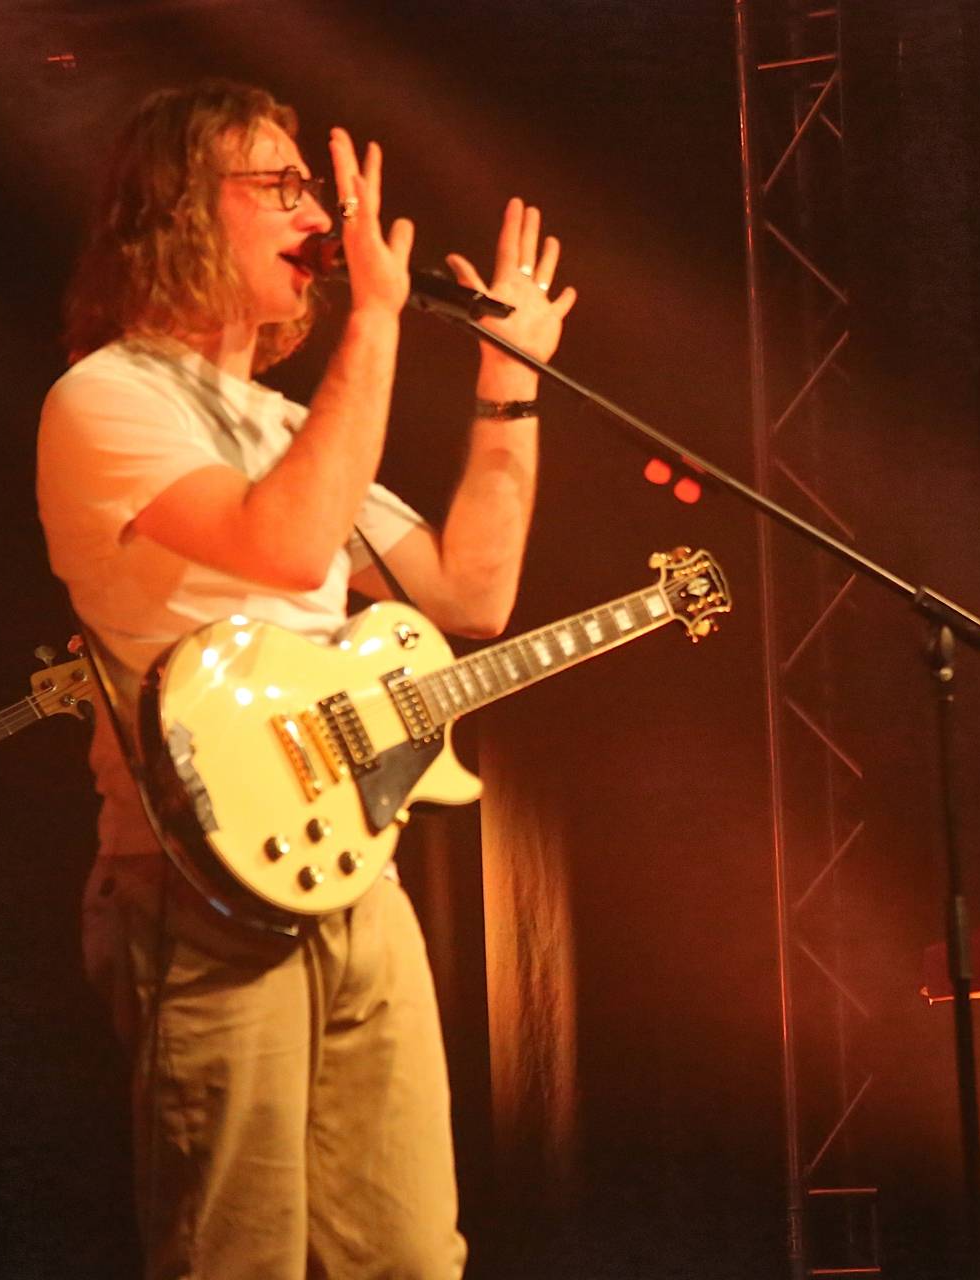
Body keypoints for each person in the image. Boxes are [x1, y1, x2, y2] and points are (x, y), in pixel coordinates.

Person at [35, 80, 575, 1278]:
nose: (320, 217)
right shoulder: (106, 397)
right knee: (237, 1255)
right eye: (280, 187)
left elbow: (469, 593)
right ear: (180, 206)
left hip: (349, 874)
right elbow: (282, 544)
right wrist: (376, 323)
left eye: (312, 190)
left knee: (412, 1256)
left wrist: (509, 380)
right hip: (195, 887)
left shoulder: (287, 425)